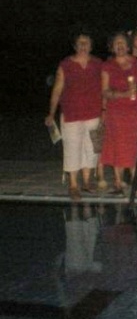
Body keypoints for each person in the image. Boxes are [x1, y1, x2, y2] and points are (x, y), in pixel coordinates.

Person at [45, 29, 103, 200]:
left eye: (87, 42)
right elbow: (57, 89)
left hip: (93, 113)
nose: (84, 46)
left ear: (92, 45)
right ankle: (73, 185)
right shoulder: (66, 64)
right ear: (75, 45)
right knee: (72, 148)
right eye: (80, 43)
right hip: (71, 114)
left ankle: (87, 182)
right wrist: (51, 113)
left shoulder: (98, 63)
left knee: (92, 149)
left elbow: (105, 87)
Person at [100, 32, 137, 195]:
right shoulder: (107, 66)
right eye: (117, 43)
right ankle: (118, 182)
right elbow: (105, 91)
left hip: (135, 111)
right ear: (112, 47)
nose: (120, 46)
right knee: (118, 145)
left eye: (123, 43)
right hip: (116, 112)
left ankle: (135, 180)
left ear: (128, 46)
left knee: (134, 144)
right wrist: (122, 94)